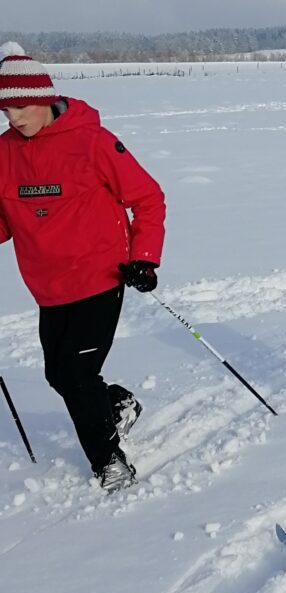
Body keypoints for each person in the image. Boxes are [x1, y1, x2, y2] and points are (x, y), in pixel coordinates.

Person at [0, 43, 165, 490]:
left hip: (100, 276)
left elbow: (148, 198)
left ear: (44, 98)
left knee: (76, 373)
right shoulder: (4, 153)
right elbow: (4, 222)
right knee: (59, 374)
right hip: (47, 284)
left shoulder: (93, 142)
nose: (14, 118)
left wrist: (144, 258)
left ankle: (109, 462)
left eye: (21, 107)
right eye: (5, 110)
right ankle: (117, 406)